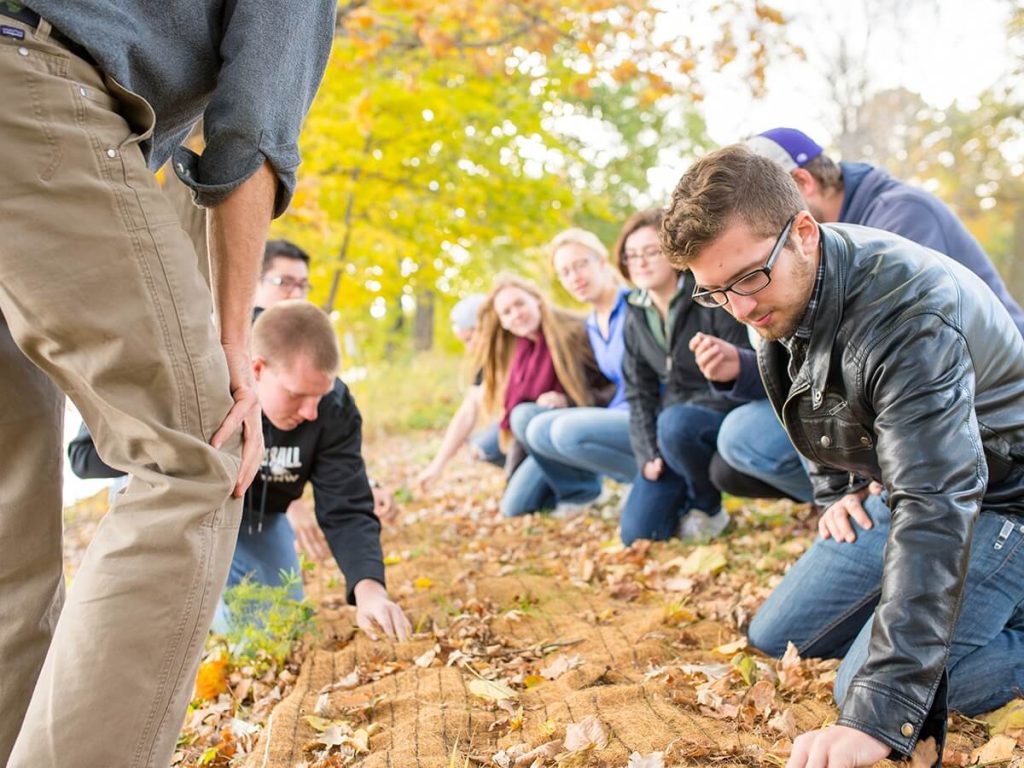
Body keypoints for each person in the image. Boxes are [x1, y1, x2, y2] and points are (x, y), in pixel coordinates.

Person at [0, 3, 334, 766]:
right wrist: (228, 347)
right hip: (33, 94)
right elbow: (251, 133)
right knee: (196, 450)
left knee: (8, 500)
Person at [661, 144, 1024, 767]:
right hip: (907, 484)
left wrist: (879, 715)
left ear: (804, 231)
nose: (740, 308)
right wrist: (835, 490)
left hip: (1001, 496)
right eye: (716, 293)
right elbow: (806, 397)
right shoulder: (770, 283)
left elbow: (937, 503)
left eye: (748, 280)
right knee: (779, 636)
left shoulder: (912, 315)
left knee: (868, 692)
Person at [704, 126, 1024, 502]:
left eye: (763, 204)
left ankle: (882, 500)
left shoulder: (899, 219)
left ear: (802, 183)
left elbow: (909, 355)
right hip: (876, 392)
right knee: (733, 453)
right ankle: (854, 508)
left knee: (746, 437)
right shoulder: (801, 257)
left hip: (979, 402)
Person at [69, 301, 411, 641]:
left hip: (258, 516)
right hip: (182, 504)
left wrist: (370, 592)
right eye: (297, 395)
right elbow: (83, 456)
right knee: (164, 614)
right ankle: (176, 604)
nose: (310, 412)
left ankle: (213, 609)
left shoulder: (333, 409)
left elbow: (346, 504)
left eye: (319, 395)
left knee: (275, 627)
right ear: (257, 370)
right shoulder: (194, 384)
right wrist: (179, 446)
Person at [616, 210, 750, 544]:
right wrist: (649, 451)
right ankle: (685, 498)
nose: (640, 262)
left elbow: (741, 364)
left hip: (721, 413)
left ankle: (708, 507)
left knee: (676, 423)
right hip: (669, 430)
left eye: (650, 251)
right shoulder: (634, 313)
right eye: (632, 255)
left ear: (673, 253)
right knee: (637, 534)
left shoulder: (709, 293)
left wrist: (671, 423)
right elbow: (638, 392)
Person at [510, 228, 633, 519]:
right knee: (534, 424)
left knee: (562, 430)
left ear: (602, 262)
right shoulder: (591, 324)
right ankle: (587, 492)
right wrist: (566, 400)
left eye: (581, 264)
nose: (575, 276)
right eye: (565, 272)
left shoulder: (635, 305)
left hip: (643, 413)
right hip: (616, 411)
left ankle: (636, 479)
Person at [470, 274, 612, 517]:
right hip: (545, 441)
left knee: (523, 414)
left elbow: (615, 385)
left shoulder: (574, 332)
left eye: (520, 304)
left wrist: (568, 400)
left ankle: (584, 491)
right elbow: (516, 429)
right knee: (514, 507)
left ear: (537, 300)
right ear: (502, 322)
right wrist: (510, 480)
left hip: (583, 429)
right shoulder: (521, 352)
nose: (516, 314)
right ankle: (559, 483)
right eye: (506, 312)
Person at [415, 294, 505, 491]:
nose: (469, 348)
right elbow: (467, 411)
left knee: (484, 445)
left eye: (469, 339)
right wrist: (436, 466)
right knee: (475, 441)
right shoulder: (485, 362)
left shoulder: (514, 351)